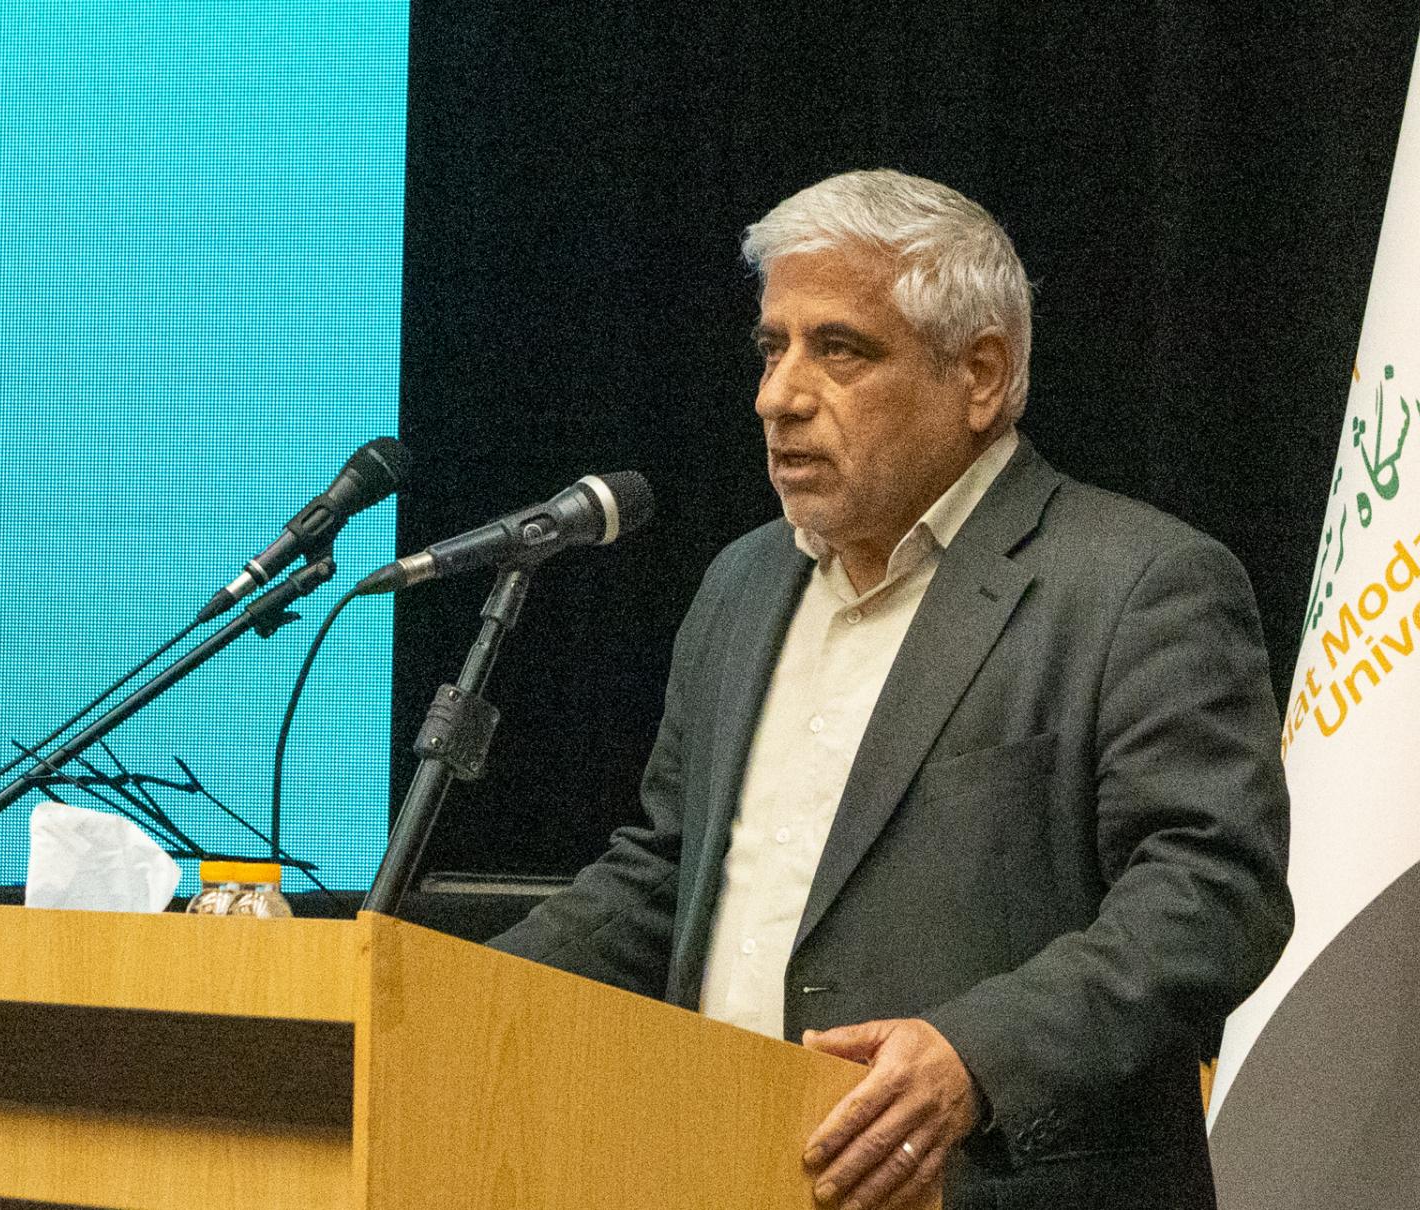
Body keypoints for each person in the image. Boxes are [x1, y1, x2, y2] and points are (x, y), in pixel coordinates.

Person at [489, 168, 1291, 1210]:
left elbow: (1211, 894)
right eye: (772, 347)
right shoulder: (742, 583)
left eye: (840, 349)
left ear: (981, 376)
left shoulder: (1139, 583)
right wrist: (421, 986)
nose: (779, 395)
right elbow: (665, 877)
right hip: (726, 1170)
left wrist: (976, 1058)